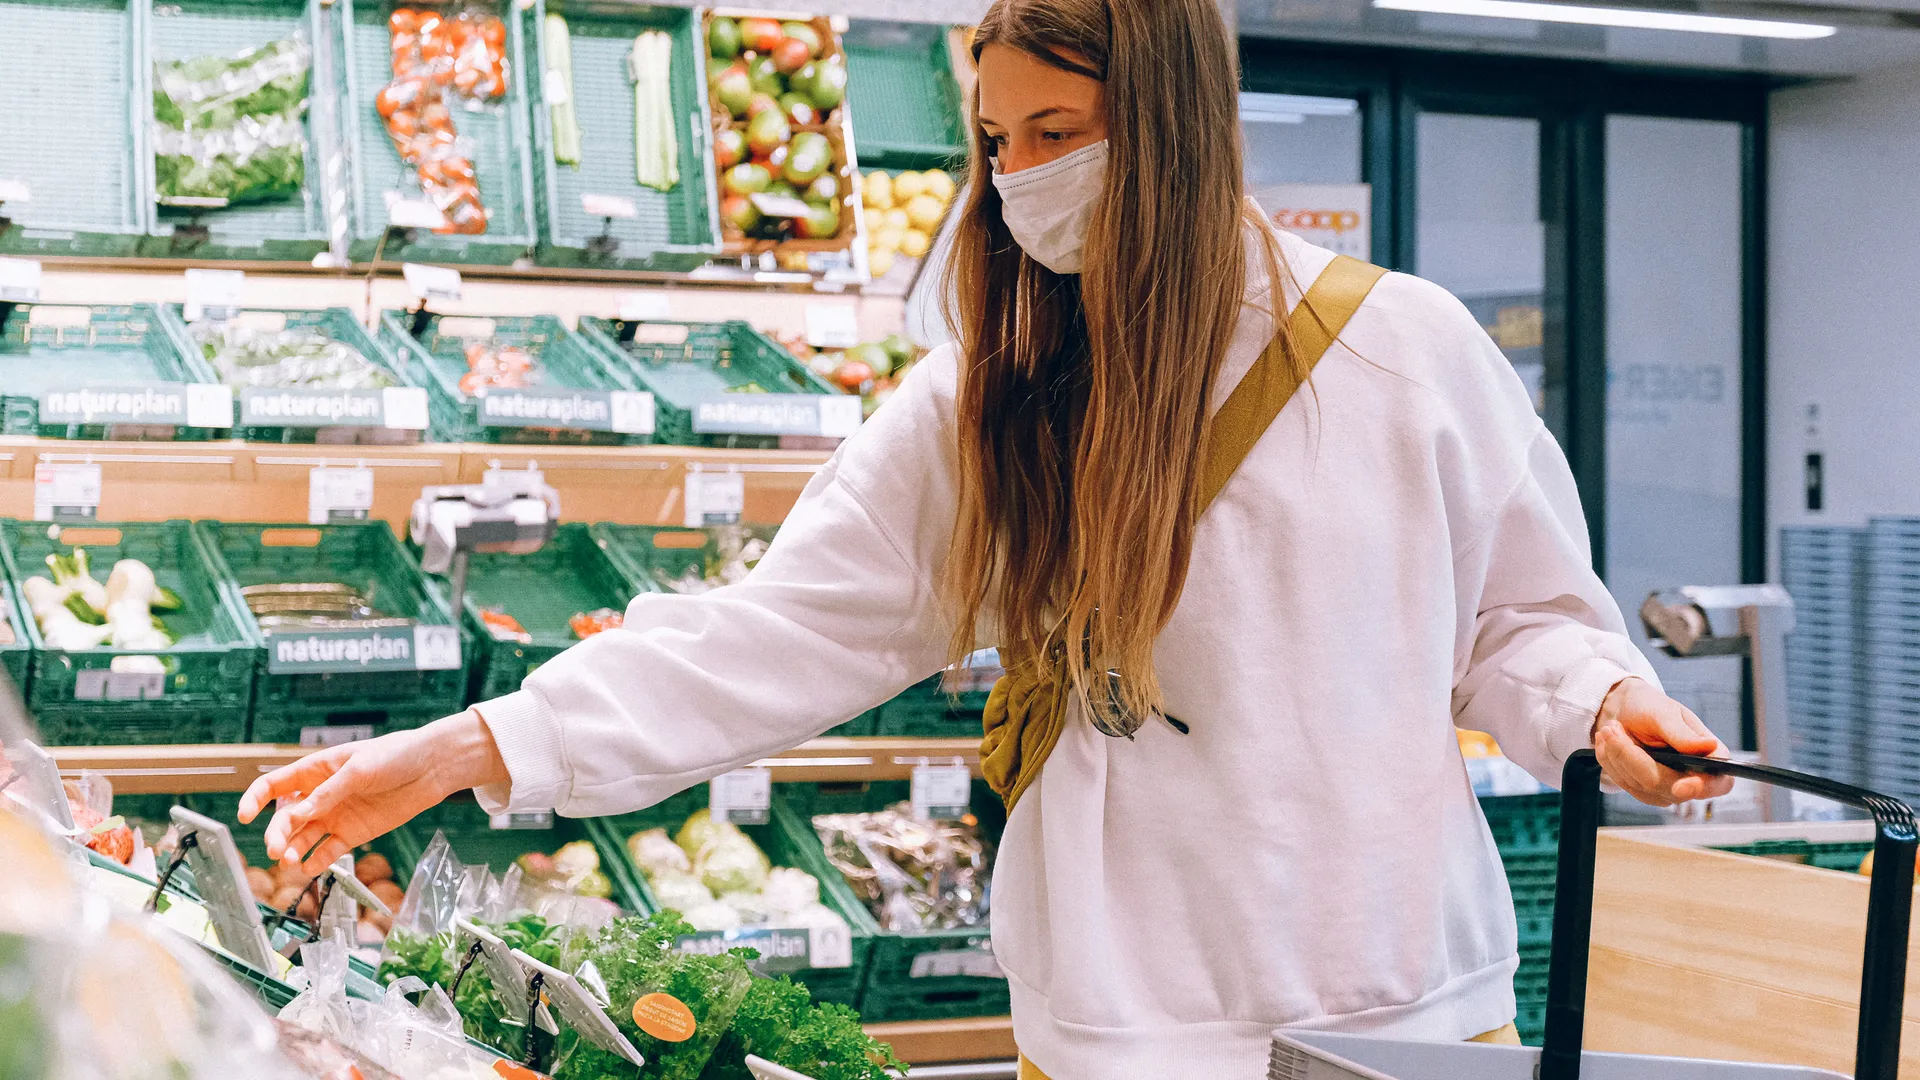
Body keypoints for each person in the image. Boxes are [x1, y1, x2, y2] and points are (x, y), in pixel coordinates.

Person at [241, 0, 1734, 1075]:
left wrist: (1601, 705)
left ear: (1172, 125)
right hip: (1117, 1015)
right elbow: (782, 631)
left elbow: (1520, 619)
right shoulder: (996, 395)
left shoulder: (1406, 352)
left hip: (1391, 1001)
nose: (1020, 179)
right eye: (997, 141)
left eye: (1059, 133)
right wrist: (466, 748)